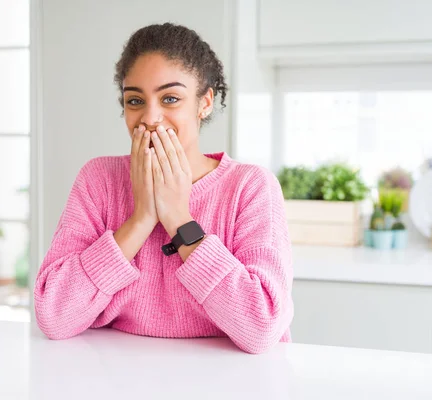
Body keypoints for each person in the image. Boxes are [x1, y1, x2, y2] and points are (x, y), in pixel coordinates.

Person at [34, 23, 293, 354]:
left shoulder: (250, 187)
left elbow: (262, 327)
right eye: (135, 100)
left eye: (170, 98)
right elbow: (54, 316)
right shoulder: (98, 179)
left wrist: (178, 219)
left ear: (205, 103)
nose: (150, 117)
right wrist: (141, 218)